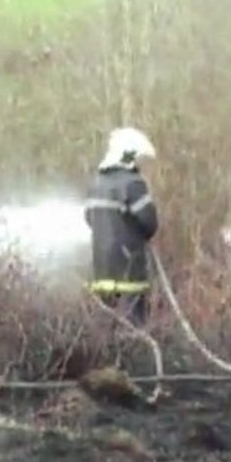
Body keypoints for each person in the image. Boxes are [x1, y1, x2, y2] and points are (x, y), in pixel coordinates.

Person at [83, 127, 159, 327]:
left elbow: (89, 219)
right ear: (129, 155)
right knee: (134, 328)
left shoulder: (96, 184)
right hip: (130, 272)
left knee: (105, 328)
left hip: (101, 271)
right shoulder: (133, 184)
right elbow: (150, 222)